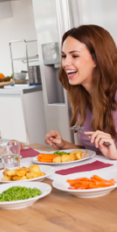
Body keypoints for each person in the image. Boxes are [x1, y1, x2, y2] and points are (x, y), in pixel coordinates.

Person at [44, 25, 117, 159]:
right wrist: (64, 145)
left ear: (97, 59)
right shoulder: (82, 98)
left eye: (75, 56)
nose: (65, 63)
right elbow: (96, 151)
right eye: (64, 56)